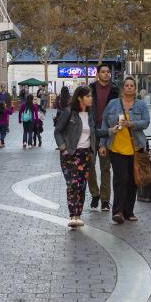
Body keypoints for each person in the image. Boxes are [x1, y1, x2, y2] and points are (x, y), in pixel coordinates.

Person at [101, 76, 151, 224]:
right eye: (127, 85)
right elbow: (105, 123)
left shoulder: (141, 105)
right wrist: (102, 144)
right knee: (120, 179)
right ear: (123, 89)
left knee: (132, 180)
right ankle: (118, 211)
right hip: (116, 148)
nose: (129, 88)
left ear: (135, 89)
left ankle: (129, 211)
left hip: (136, 148)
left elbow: (146, 122)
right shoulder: (113, 104)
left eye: (132, 86)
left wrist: (132, 123)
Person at [54, 86, 97, 228]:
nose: (91, 98)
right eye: (88, 96)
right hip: (71, 154)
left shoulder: (90, 114)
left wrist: (110, 131)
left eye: (91, 96)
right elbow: (58, 131)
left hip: (85, 155)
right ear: (80, 98)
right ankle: (73, 215)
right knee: (73, 184)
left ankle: (78, 215)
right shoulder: (69, 112)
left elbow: (95, 132)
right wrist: (63, 148)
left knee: (82, 185)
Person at [88, 65, 119, 211]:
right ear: (98, 74)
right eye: (103, 72)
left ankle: (105, 200)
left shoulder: (115, 90)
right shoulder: (90, 89)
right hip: (91, 132)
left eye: (108, 72)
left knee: (105, 168)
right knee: (90, 165)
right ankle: (95, 194)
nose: (106, 74)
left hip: (108, 131)